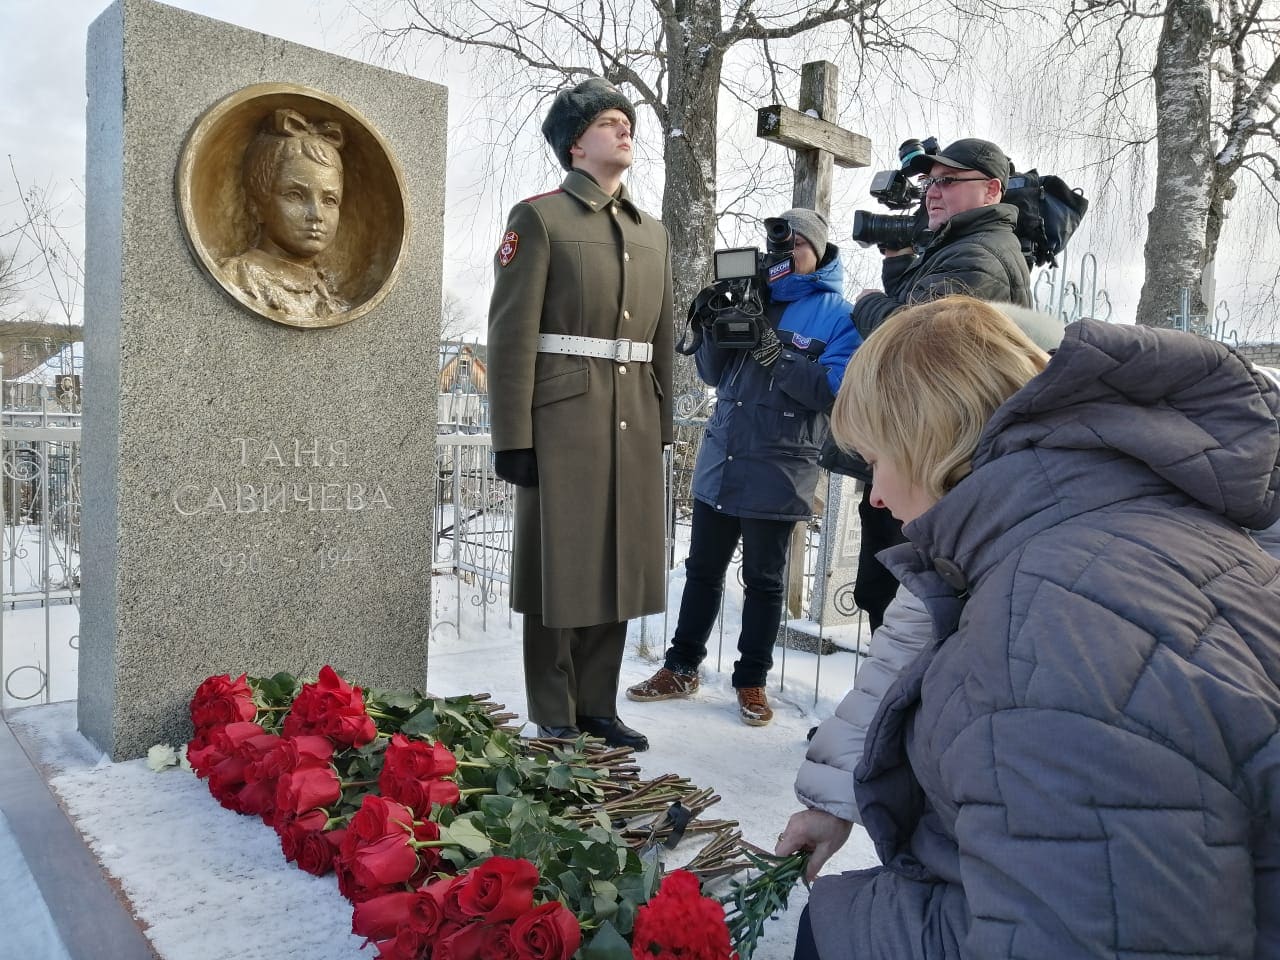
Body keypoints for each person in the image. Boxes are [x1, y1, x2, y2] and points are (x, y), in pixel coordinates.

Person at [777, 295, 1280, 959]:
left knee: (837, 927)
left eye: (876, 459)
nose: (874, 495)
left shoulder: (1046, 631)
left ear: (931, 443)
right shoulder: (1115, 519)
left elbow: (1099, 930)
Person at [487, 78, 673, 752]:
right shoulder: (539, 219)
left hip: (632, 415)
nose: (625, 131)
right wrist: (513, 436)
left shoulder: (653, 234)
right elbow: (510, 334)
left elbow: (658, 340)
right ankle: (554, 709)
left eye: (628, 122)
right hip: (561, 418)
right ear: (575, 143)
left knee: (617, 565)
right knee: (560, 567)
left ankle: (598, 705)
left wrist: (663, 425)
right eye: (608, 122)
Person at [626, 211, 859, 726]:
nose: (788, 249)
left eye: (800, 243)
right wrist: (712, 322)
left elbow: (830, 391)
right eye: (782, 241)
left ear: (820, 252)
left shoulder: (838, 315)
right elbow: (711, 374)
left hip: (779, 468)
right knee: (701, 572)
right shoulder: (753, 296)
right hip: (722, 461)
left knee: (764, 580)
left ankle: (751, 681)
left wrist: (773, 351)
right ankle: (681, 666)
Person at [849, 137, 1035, 633]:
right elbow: (921, 306)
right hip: (923, 453)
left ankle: (896, 708)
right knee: (892, 601)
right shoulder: (962, 247)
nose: (933, 192)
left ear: (992, 190)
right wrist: (897, 261)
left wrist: (866, 304)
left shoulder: (980, 255)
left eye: (949, 181)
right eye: (931, 182)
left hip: (933, 459)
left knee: (905, 606)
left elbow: (918, 340)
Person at [220, 108, 349, 322]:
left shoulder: (328, 296)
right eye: (295, 196)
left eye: (329, 200)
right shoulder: (238, 278)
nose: (316, 214)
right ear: (256, 205)